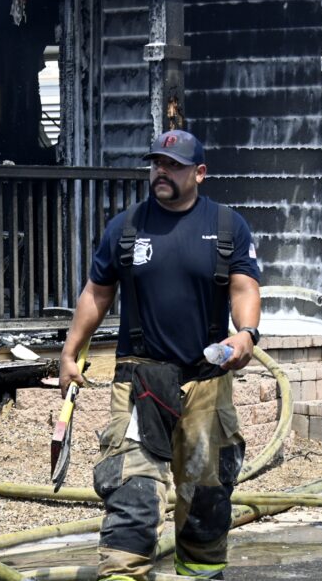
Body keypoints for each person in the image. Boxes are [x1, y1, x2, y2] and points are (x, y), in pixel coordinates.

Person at [59, 129, 261, 580]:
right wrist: (69, 353)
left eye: (174, 165)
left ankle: (200, 573)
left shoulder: (227, 226)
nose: (161, 172)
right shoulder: (126, 227)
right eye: (156, 164)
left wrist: (247, 333)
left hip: (206, 380)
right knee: (131, 490)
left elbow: (244, 286)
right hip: (140, 380)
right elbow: (97, 293)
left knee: (207, 495)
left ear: (199, 173)